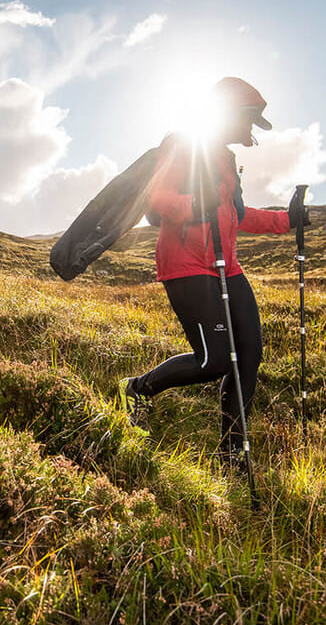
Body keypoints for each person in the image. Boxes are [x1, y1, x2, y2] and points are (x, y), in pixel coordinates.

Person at [117, 76, 309, 468]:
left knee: (249, 355)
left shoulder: (225, 159)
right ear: (231, 114)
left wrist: (286, 221)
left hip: (227, 266)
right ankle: (135, 390)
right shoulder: (183, 146)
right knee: (215, 360)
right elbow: (154, 203)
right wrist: (193, 205)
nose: (252, 131)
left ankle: (232, 449)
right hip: (186, 266)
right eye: (251, 121)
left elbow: (235, 216)